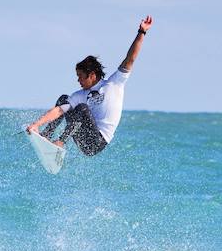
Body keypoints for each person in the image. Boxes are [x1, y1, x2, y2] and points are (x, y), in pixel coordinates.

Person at [26, 16, 153, 156]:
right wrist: (37, 124)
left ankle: (61, 142)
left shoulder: (114, 83)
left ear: (92, 75)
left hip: (97, 142)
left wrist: (142, 32)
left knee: (82, 108)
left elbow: (131, 58)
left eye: (80, 76)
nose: (78, 80)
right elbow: (59, 111)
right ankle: (46, 135)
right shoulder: (79, 95)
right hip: (82, 136)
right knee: (64, 99)